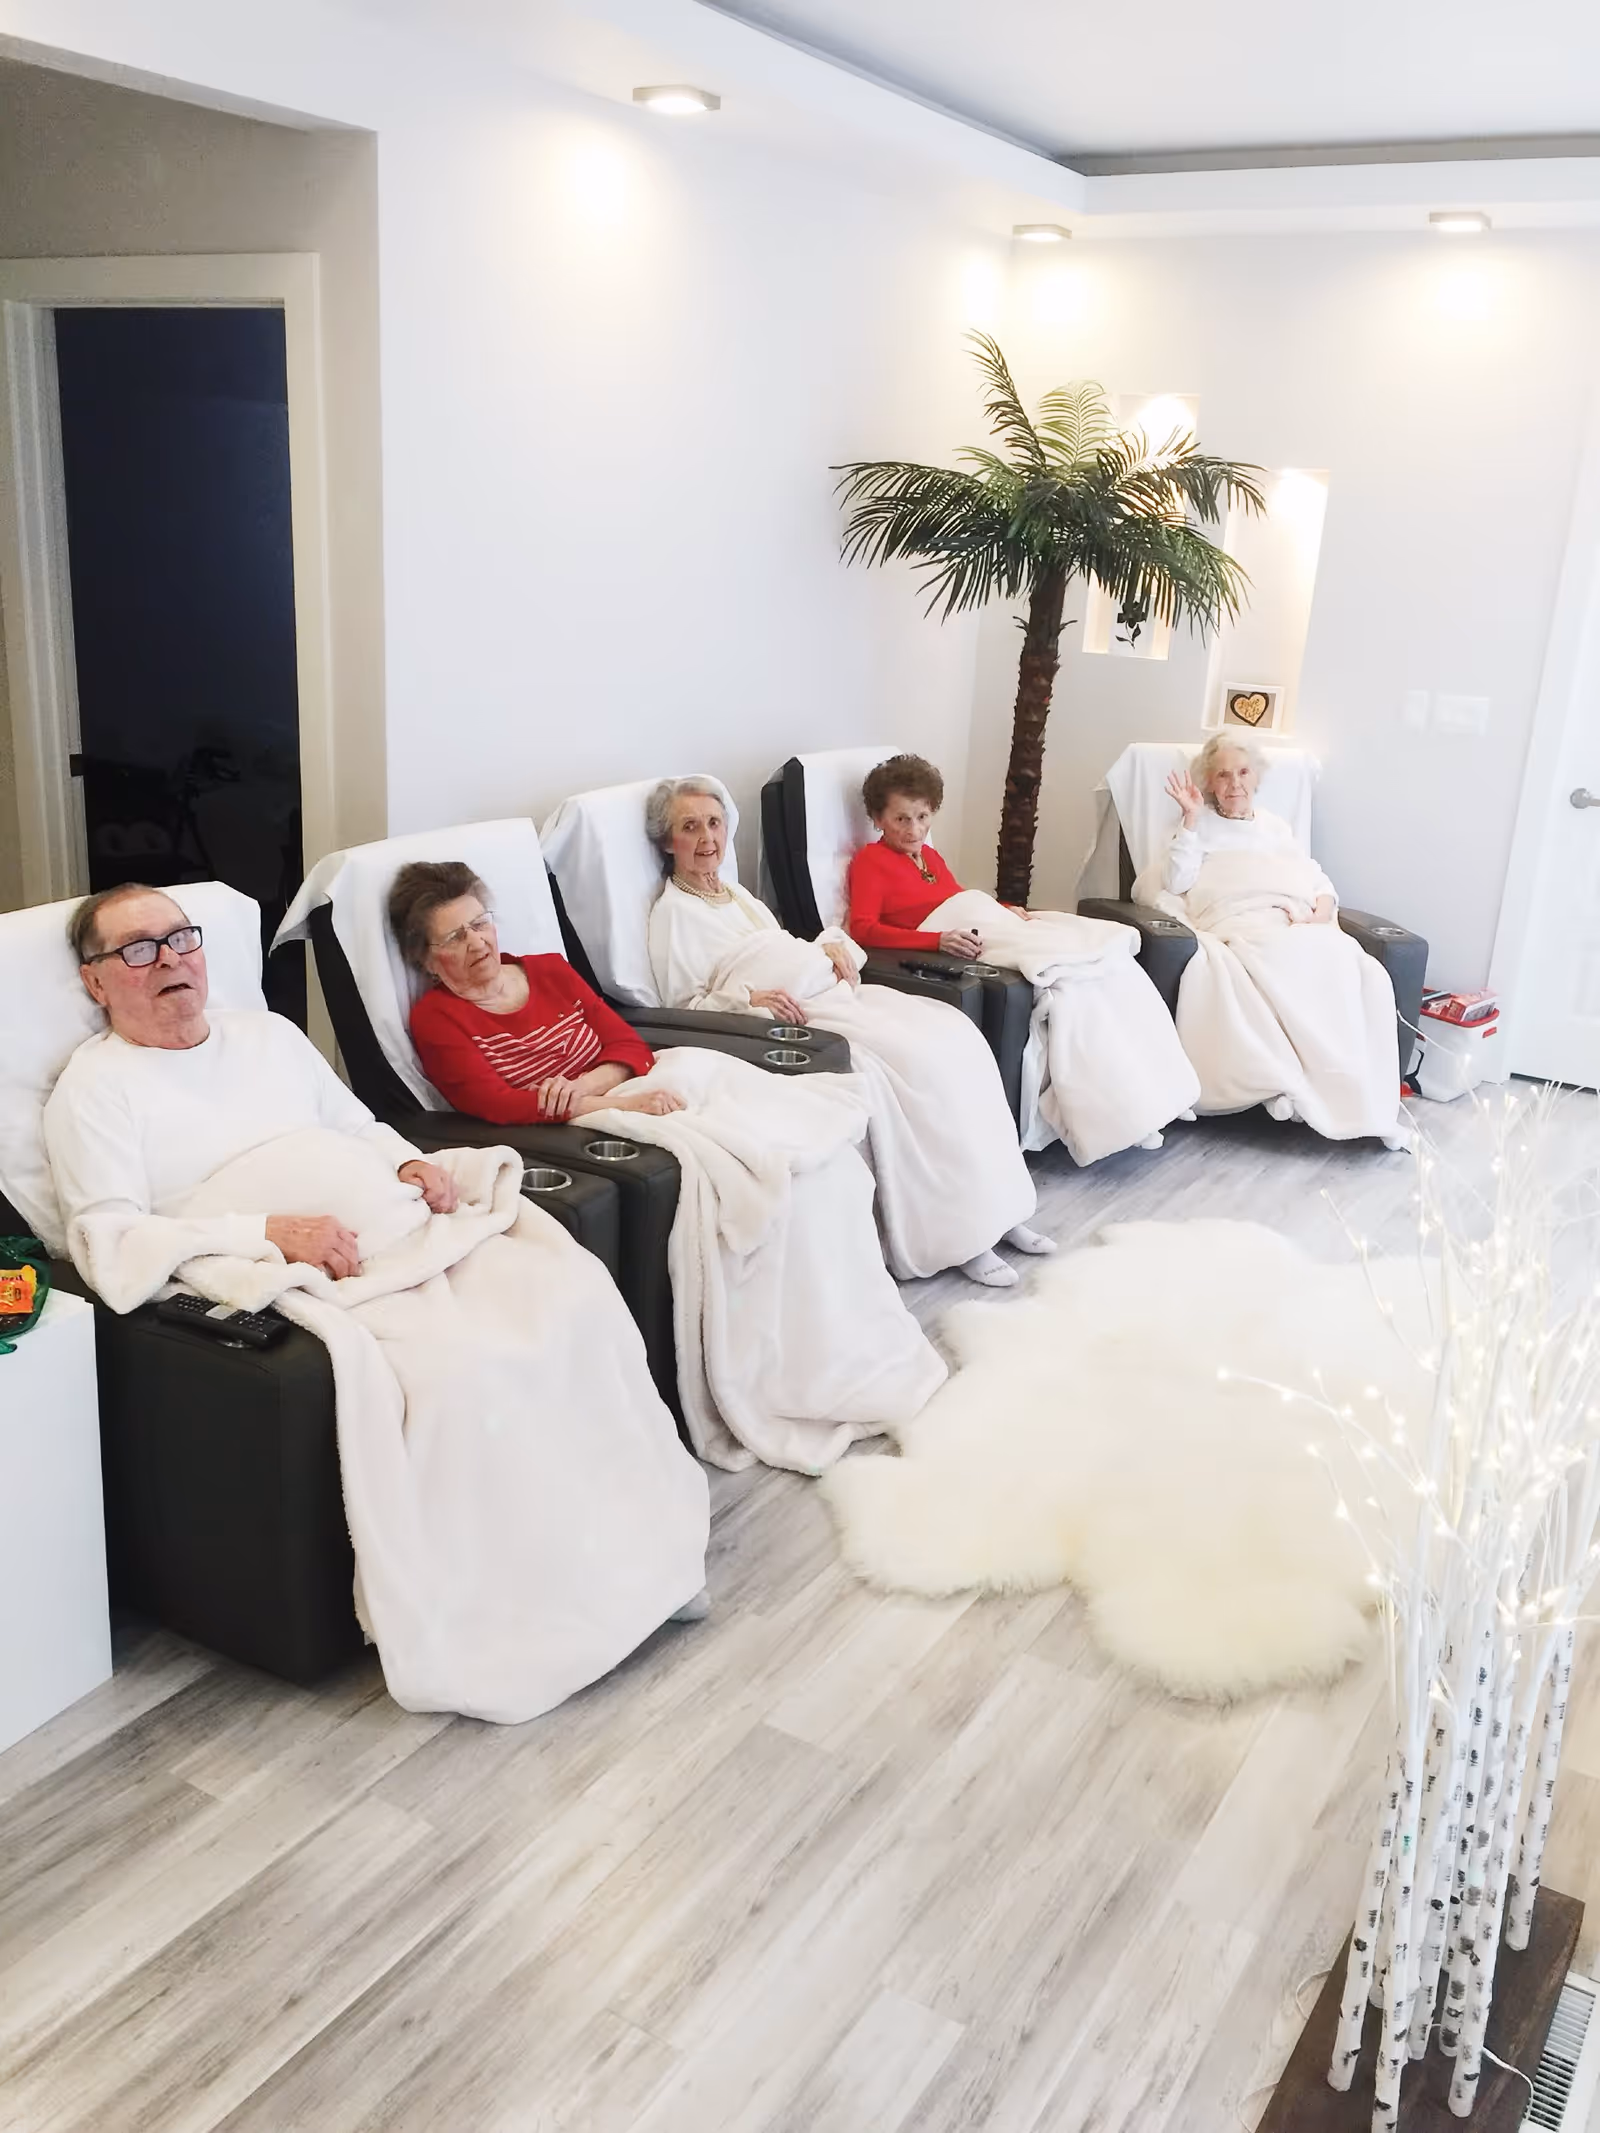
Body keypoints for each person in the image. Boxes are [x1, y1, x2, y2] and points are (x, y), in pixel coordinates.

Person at [42, 882, 711, 1723]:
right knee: (465, 1373)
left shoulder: (270, 1035)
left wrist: (405, 1165)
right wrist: (264, 1232)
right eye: (137, 949)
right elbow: (107, 1239)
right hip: (329, 1280)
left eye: (180, 937)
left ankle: (625, 1552)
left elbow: (357, 1124)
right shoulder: (97, 1089)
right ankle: (520, 1610)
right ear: (96, 981)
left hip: (408, 1232)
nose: (170, 959)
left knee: (573, 1293)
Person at [392, 860, 948, 1472]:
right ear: (426, 958)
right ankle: (793, 1372)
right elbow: (494, 1104)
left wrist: (588, 1084)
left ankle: (846, 1345)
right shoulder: (437, 1019)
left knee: (823, 1168)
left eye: (480, 924)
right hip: (598, 1119)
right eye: (454, 937)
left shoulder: (548, 969)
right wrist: (612, 1102)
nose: (477, 944)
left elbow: (626, 1041)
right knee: (763, 1177)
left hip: (649, 1083)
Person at [645, 779, 1057, 1287]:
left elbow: (782, 944)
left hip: (832, 992)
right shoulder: (672, 915)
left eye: (714, 823)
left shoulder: (737, 895)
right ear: (669, 843)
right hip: (799, 1019)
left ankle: (1000, 1210)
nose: (707, 837)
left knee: (958, 1039)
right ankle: (961, 1236)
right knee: (917, 1069)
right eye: (690, 827)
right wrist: (748, 1000)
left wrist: (828, 947)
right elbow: (684, 1006)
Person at [843, 753, 1201, 1163]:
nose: (914, 829)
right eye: (901, 819)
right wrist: (936, 940)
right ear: (877, 818)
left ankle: (1155, 1096)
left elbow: (957, 897)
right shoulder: (870, 861)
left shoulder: (930, 857)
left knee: (1112, 969)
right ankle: (1119, 1116)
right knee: (1068, 982)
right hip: (953, 937)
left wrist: (1005, 909)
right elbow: (863, 929)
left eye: (922, 817)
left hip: (976, 922)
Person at [1149, 733, 1412, 1147]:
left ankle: (1340, 1091)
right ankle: (1290, 1085)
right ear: (1210, 783)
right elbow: (1176, 881)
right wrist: (1190, 819)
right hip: (1239, 919)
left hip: (1291, 919)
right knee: (1278, 961)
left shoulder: (1275, 827)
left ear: (1256, 778)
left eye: (1242, 772)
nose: (1234, 783)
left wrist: (1316, 915)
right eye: (1222, 775)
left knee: (1357, 967)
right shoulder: (1196, 823)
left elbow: (1318, 882)